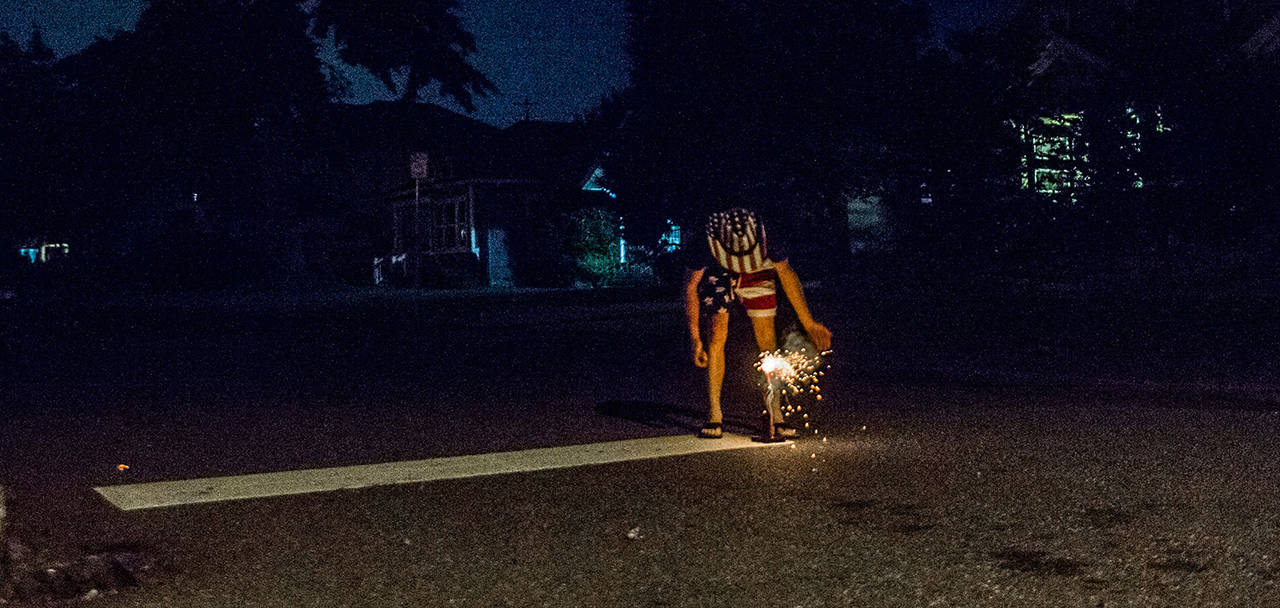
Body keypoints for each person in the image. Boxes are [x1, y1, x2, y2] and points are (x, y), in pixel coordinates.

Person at [684, 207, 832, 440]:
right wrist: (695, 339)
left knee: (767, 341)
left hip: (758, 269)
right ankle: (715, 413)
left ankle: (776, 414)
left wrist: (809, 323)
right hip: (718, 272)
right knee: (717, 333)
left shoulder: (768, 236)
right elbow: (690, 287)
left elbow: (786, 275)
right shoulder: (706, 240)